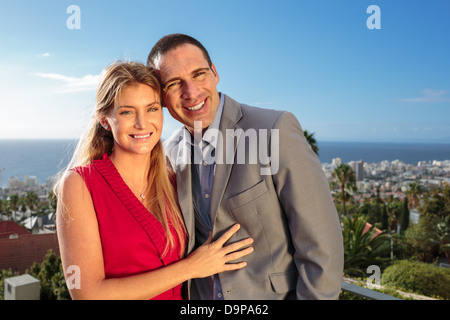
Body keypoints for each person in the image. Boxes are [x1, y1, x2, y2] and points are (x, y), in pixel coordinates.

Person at [147, 34, 344, 300]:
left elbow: (322, 247)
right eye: (174, 84)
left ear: (215, 73)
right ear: (160, 96)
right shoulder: (168, 153)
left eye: (199, 74)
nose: (191, 92)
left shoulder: (274, 129)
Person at [54, 61, 253, 300]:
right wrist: (192, 267)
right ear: (105, 120)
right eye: (127, 111)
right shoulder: (80, 184)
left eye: (152, 109)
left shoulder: (174, 179)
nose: (142, 123)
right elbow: (88, 295)